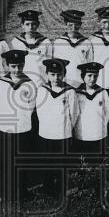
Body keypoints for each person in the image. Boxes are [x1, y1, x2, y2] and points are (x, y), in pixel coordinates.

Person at [0, 48, 38, 200]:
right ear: (7, 66)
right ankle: (7, 191)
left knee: (22, 160)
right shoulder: (1, 83)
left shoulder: (30, 84)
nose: (17, 69)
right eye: (13, 66)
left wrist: (22, 119)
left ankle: (22, 191)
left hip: (24, 127)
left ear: (24, 64)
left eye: (20, 66)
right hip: (6, 127)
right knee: (6, 160)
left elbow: (31, 106)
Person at [35, 58, 78, 196]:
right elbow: (39, 111)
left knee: (61, 163)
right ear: (47, 74)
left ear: (64, 74)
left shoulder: (70, 91)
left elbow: (74, 113)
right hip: (46, 133)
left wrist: (66, 127)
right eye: (52, 74)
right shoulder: (42, 90)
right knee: (47, 163)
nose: (56, 78)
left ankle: (60, 189)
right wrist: (46, 126)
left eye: (59, 74)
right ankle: (47, 189)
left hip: (62, 133)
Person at [73, 62, 109, 156]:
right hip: (82, 133)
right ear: (83, 76)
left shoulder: (102, 92)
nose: (92, 79)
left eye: (95, 76)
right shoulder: (76, 93)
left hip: (98, 132)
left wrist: (101, 125)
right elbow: (74, 113)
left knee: (97, 161)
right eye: (89, 75)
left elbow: (107, 113)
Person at [51, 9, 93, 87]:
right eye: (70, 25)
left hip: (80, 81)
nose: (73, 28)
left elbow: (89, 63)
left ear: (80, 24)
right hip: (63, 81)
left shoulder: (86, 42)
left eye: (76, 25)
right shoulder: (58, 42)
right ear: (66, 24)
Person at [9, 9, 51, 84]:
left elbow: (49, 64)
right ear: (22, 25)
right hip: (21, 81)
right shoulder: (16, 42)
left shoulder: (45, 42)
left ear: (38, 25)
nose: (31, 27)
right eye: (27, 24)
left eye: (33, 24)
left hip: (40, 81)